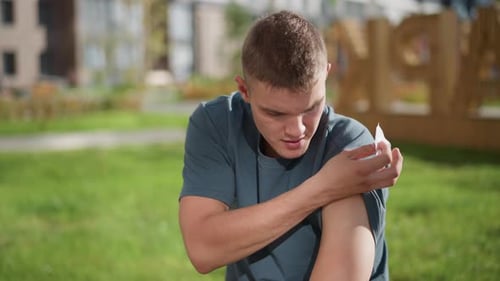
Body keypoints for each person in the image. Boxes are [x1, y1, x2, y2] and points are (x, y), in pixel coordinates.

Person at [179, 10, 403, 281]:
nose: (297, 130)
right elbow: (203, 250)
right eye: (275, 114)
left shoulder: (349, 146)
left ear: (326, 75)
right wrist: (323, 188)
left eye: (311, 107)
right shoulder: (217, 123)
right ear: (244, 90)